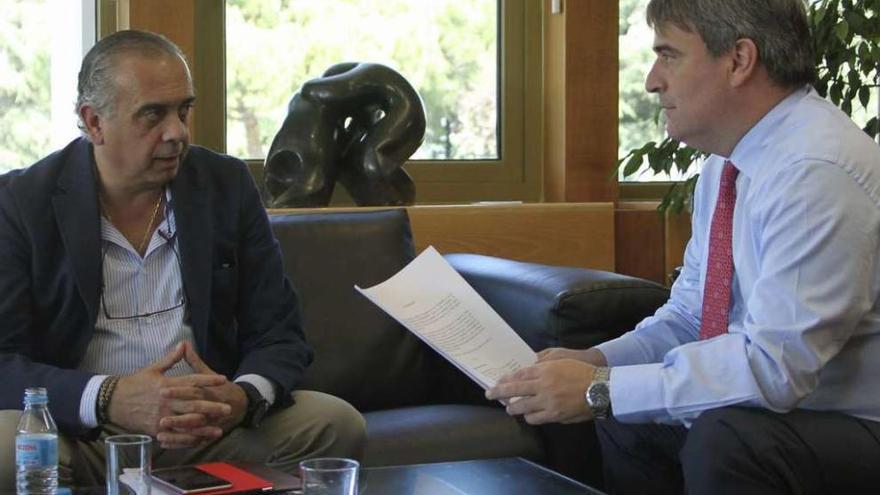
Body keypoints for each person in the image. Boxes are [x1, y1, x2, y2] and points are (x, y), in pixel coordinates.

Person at [487, 0, 880, 493]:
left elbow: (777, 369)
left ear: (739, 60)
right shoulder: (726, 163)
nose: (652, 80)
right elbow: (691, 317)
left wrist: (600, 391)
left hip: (853, 424)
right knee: (609, 412)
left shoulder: (816, 171)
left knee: (725, 436)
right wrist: (597, 363)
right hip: (786, 413)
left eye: (668, 55)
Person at [0, 30, 365, 487]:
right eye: (153, 114)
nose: (177, 132)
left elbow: (280, 334)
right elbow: (4, 363)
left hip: (210, 427)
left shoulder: (224, 185)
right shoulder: (20, 203)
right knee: (4, 446)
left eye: (183, 110)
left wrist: (242, 397)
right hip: (87, 433)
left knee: (334, 421)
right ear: (93, 122)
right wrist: (110, 397)